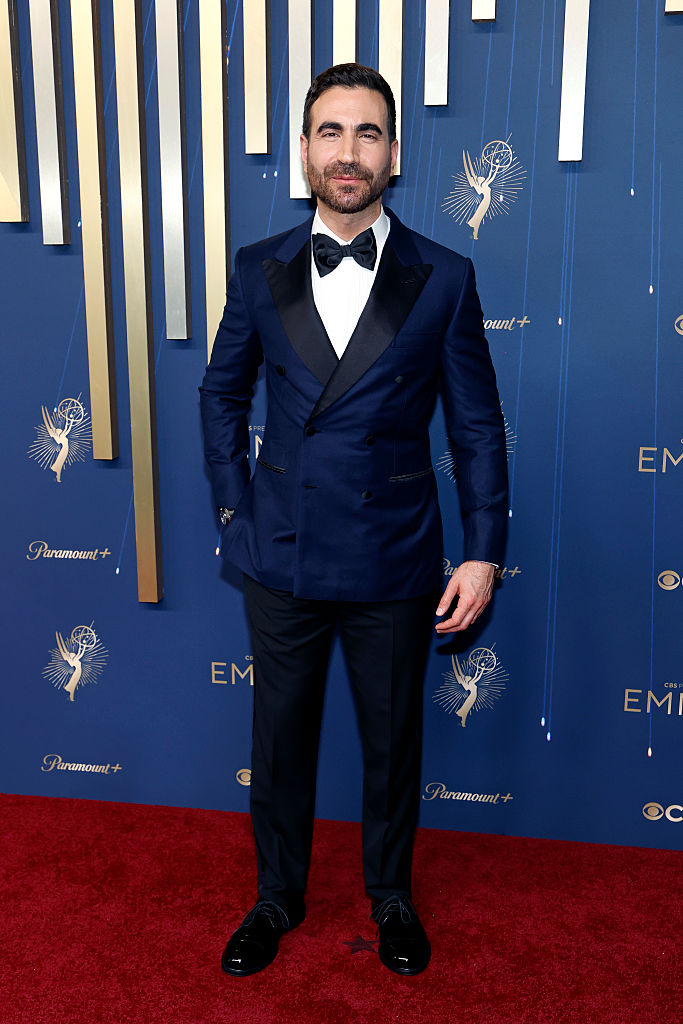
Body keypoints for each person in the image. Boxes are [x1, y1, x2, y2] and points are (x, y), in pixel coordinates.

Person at [200, 63, 508, 977]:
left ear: (393, 154)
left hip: (394, 550)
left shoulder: (443, 275)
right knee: (278, 741)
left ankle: (391, 897)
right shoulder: (257, 267)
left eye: (366, 132)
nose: (347, 151)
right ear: (303, 151)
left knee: (392, 741)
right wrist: (235, 511)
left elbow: (476, 424)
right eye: (330, 132)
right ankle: (275, 897)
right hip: (280, 551)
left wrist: (483, 551)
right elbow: (221, 395)